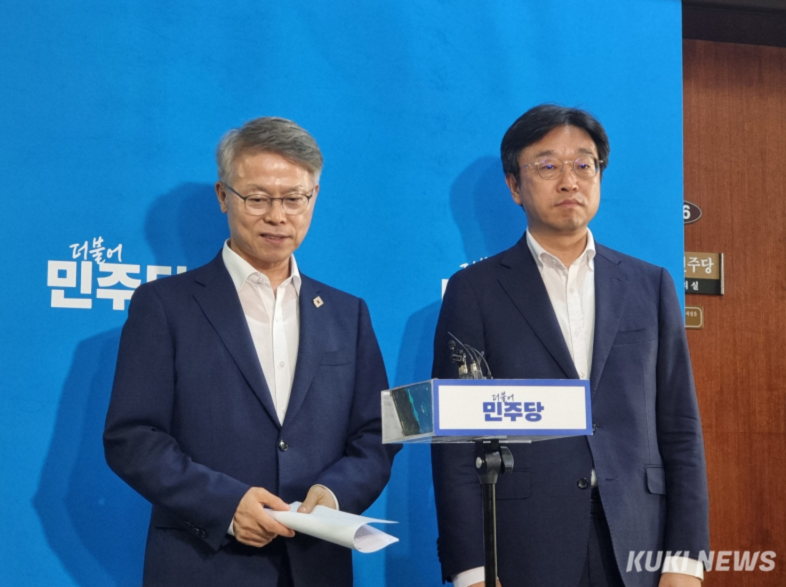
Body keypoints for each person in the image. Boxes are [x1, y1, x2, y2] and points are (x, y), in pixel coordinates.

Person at [104, 117, 400, 587]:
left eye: (293, 199)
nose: (277, 216)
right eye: (258, 198)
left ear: (314, 197)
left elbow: (376, 433)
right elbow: (133, 437)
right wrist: (225, 505)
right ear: (224, 196)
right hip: (203, 565)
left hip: (315, 566)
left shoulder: (348, 313)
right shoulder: (164, 305)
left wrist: (333, 494)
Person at [431, 105, 709, 587]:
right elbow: (455, 441)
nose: (569, 181)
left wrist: (685, 560)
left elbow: (680, 426)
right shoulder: (474, 291)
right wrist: (473, 569)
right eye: (547, 166)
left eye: (584, 164)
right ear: (514, 186)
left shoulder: (650, 285)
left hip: (639, 538)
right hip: (524, 542)